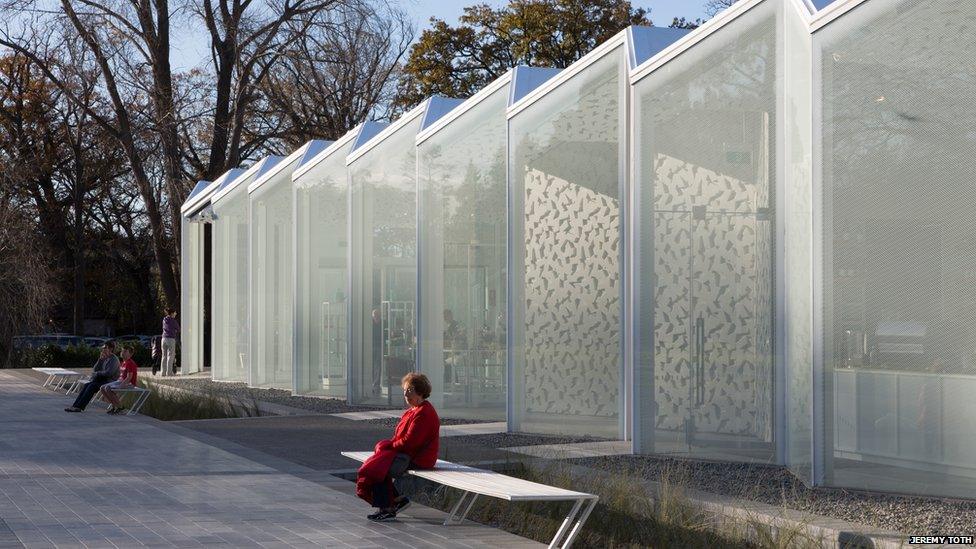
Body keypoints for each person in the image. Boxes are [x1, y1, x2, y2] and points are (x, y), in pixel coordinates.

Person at [356, 372, 440, 522]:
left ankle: (388, 508)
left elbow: (410, 443)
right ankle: (397, 501)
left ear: (420, 392)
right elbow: (402, 440)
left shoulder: (424, 413)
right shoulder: (412, 411)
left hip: (419, 458)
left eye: (410, 390)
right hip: (408, 453)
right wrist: (389, 446)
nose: (405, 394)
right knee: (377, 464)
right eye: (405, 390)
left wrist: (389, 446)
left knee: (378, 468)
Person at [64, 341, 120, 412]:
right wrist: (100, 360)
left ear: (111, 349)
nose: (103, 349)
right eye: (103, 348)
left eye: (105, 347)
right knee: (87, 385)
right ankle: (75, 406)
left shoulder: (113, 359)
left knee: (91, 386)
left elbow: (109, 373)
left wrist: (97, 373)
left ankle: (79, 407)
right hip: (102, 380)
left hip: (109, 381)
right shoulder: (105, 358)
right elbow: (95, 369)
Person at [100, 346, 139, 414]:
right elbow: (121, 376)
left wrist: (120, 385)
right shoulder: (124, 362)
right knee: (102, 388)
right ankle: (115, 406)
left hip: (129, 384)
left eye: (125, 352)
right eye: (122, 351)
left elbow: (129, 377)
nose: (122, 353)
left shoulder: (130, 363)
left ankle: (120, 408)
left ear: (130, 354)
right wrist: (116, 383)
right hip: (120, 381)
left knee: (107, 388)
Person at [161, 308, 179, 376]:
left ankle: (163, 372)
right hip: (171, 339)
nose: (176, 314)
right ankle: (169, 372)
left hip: (163, 339)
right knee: (170, 356)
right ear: (171, 313)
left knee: (164, 356)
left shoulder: (164, 319)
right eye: (175, 312)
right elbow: (178, 328)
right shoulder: (173, 321)